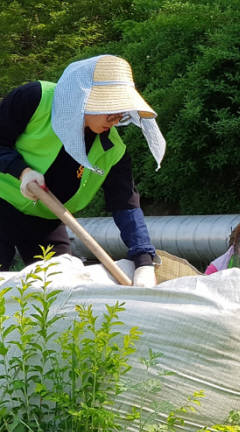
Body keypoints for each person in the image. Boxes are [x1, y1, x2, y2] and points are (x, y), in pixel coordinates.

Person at [0, 54, 166, 287]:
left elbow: (126, 205)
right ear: (84, 97)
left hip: (47, 220)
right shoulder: (36, 99)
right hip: (2, 200)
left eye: (121, 111)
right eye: (110, 108)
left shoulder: (113, 150)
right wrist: (22, 171)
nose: (116, 118)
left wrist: (143, 259)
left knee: (60, 289)